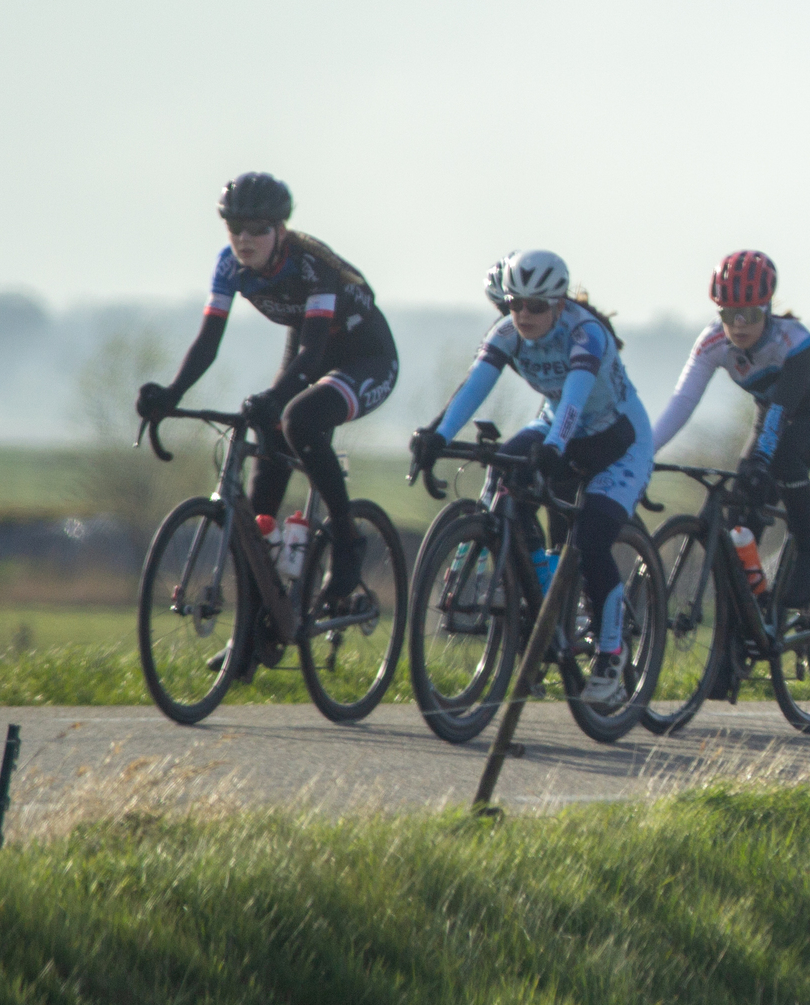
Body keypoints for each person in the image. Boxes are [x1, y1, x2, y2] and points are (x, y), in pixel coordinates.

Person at [134, 172, 399, 612]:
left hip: (363, 358)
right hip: (306, 352)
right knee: (258, 504)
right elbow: (207, 343)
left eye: (258, 229)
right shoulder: (228, 265)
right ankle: (255, 635)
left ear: (280, 230)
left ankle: (349, 541)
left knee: (298, 419)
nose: (245, 239)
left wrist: (276, 399)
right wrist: (171, 393)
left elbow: (313, 354)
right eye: (235, 228)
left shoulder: (312, 265)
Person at [410, 250, 653, 704]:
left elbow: (577, 398)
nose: (523, 314)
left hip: (618, 438)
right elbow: (476, 384)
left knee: (590, 539)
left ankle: (611, 652)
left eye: (536, 306)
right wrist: (437, 436)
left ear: (559, 304)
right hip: (556, 424)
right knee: (504, 479)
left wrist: (556, 448)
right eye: (515, 303)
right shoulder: (507, 333)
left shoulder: (586, 333)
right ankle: (542, 607)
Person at [650, 250, 810, 616]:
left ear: (769, 309)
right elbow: (683, 401)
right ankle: (751, 615)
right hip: (771, 417)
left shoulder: (793, 340)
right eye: (730, 315)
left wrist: (762, 459)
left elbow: (782, 408)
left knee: (783, 456)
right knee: (739, 515)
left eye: (752, 314)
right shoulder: (713, 343)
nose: (741, 324)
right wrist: (644, 453)